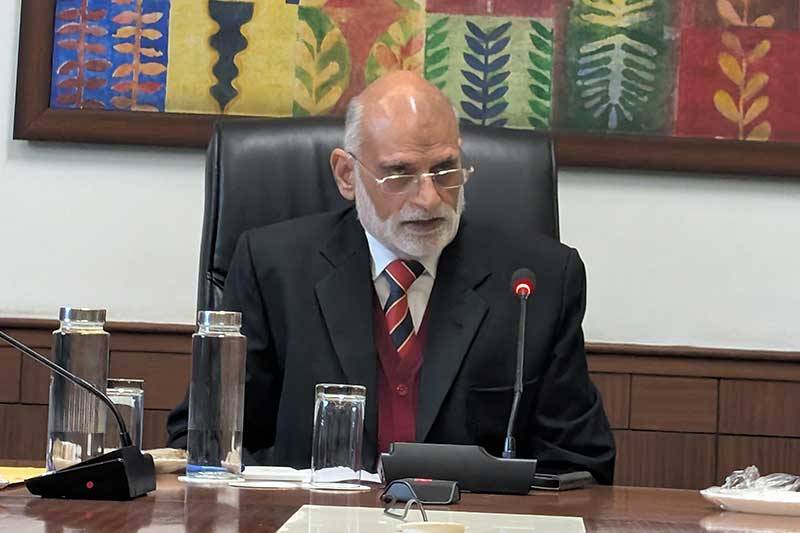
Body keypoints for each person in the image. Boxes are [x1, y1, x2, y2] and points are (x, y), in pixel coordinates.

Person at [167, 71, 615, 484]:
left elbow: (581, 465)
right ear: (347, 174)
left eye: (445, 170)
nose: (429, 198)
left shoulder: (538, 283)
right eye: (399, 174)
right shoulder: (273, 269)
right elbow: (205, 440)